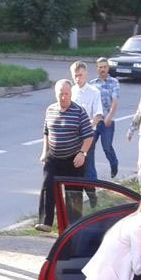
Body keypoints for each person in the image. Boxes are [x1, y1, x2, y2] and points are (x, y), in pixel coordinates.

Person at [36, 79, 94, 232]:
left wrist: (82, 153)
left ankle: (73, 226)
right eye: (60, 94)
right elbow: (46, 132)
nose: (63, 97)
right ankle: (46, 222)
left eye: (66, 94)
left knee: (73, 193)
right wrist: (44, 152)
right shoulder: (50, 110)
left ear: (71, 94)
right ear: (56, 94)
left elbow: (89, 136)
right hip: (54, 157)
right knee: (47, 186)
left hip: (73, 158)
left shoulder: (79, 111)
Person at [70, 61, 103, 205]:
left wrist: (88, 129)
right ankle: (75, 198)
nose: (78, 79)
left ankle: (92, 195)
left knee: (88, 165)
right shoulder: (71, 91)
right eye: (75, 76)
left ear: (86, 74)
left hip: (89, 134)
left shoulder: (94, 92)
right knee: (75, 166)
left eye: (80, 75)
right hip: (73, 135)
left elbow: (98, 115)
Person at [91, 56, 120, 178]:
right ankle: (91, 176)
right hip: (94, 121)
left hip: (107, 121)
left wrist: (109, 115)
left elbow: (114, 100)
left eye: (104, 67)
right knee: (89, 147)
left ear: (108, 68)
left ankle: (114, 164)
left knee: (107, 147)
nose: (102, 69)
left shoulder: (114, 82)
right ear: (97, 68)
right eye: (100, 67)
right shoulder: (92, 84)